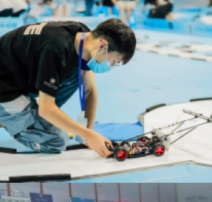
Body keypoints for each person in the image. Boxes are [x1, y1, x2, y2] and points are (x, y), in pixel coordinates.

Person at [0, 19, 136, 157]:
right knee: (57, 141)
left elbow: (89, 90)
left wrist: (88, 133)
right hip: (5, 85)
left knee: (79, 72)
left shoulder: (84, 38)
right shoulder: (55, 48)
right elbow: (46, 109)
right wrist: (89, 134)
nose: (110, 66)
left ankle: (22, 115)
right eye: (113, 61)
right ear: (103, 45)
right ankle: (7, 119)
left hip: (20, 75)